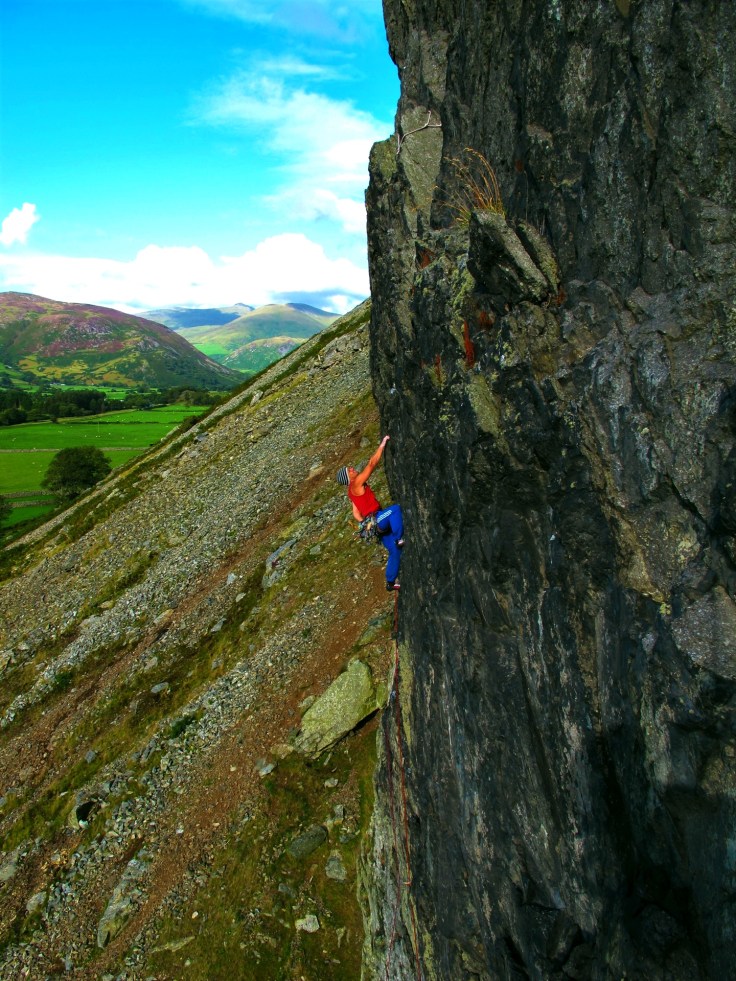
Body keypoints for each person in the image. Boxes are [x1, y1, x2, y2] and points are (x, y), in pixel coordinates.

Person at [337, 435, 404, 591]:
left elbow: (355, 513)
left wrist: (364, 523)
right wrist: (382, 445)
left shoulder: (351, 492)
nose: (353, 468)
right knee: (395, 510)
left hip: (373, 524)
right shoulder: (356, 483)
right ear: (348, 477)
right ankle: (400, 537)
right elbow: (372, 464)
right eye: (350, 470)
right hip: (377, 519)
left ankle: (390, 582)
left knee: (395, 551)